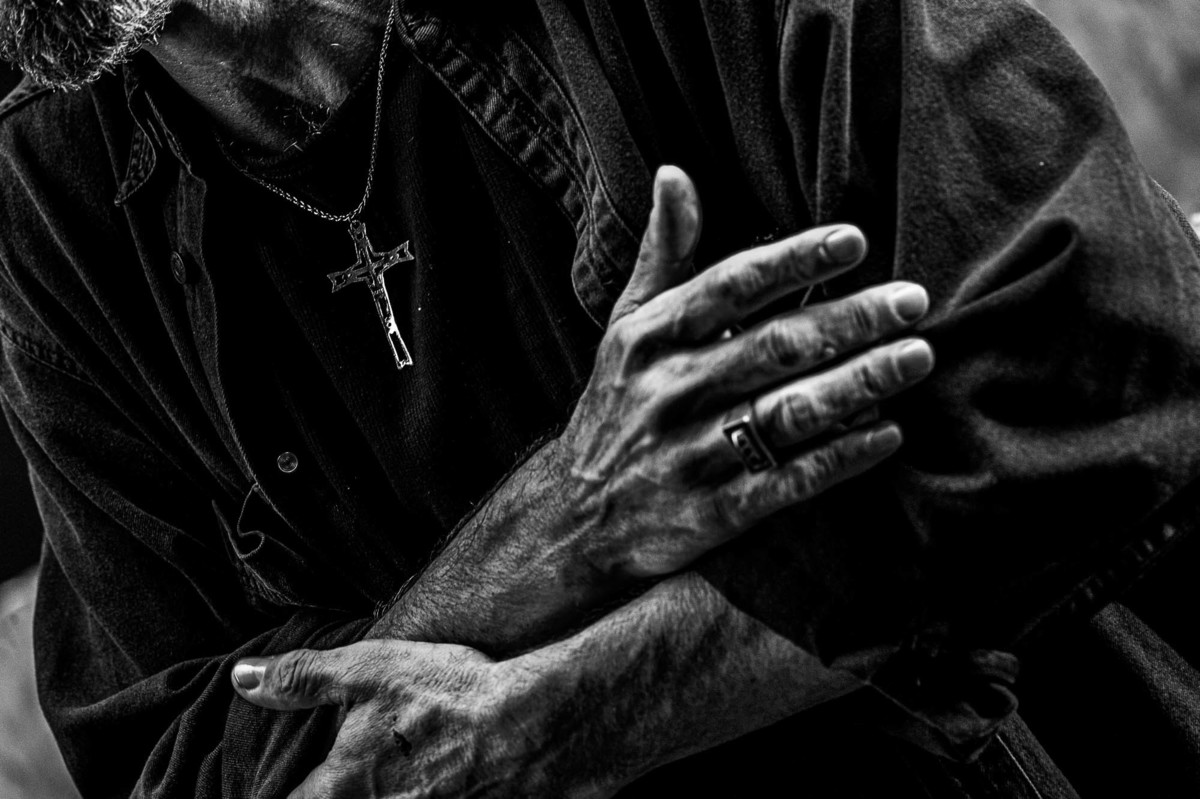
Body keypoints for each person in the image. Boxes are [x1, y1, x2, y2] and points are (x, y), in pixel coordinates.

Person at [2, 1, 1199, 796]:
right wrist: (568, 518)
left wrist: (554, 727)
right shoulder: (45, 195)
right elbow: (161, 754)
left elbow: (1103, 342)